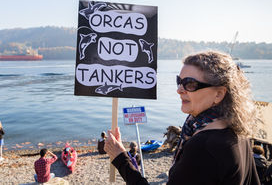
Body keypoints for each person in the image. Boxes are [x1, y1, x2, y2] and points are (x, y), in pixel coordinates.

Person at [105, 51, 261, 185]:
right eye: (179, 81)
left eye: (190, 84)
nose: (179, 90)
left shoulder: (203, 147)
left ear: (219, 94)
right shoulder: (237, 130)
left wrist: (121, 159)